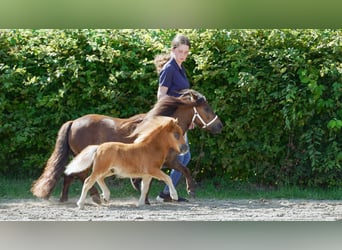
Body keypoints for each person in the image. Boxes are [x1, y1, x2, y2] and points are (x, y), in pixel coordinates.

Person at [155, 34, 192, 202]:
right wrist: (170, 119)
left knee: (185, 156)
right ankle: (165, 193)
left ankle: (166, 193)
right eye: (180, 52)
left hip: (181, 121)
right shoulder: (169, 68)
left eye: (186, 52)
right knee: (182, 157)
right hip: (172, 121)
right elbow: (161, 95)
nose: (183, 55)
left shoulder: (179, 67)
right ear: (173, 50)